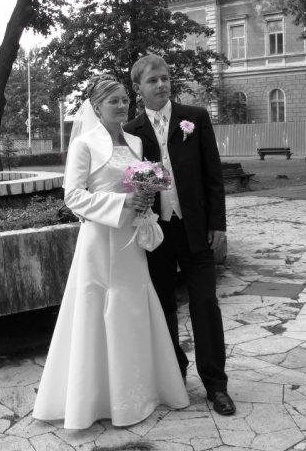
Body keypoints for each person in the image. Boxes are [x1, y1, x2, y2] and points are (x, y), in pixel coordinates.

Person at [32, 76, 189, 430]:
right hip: (100, 241)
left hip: (131, 241)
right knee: (98, 309)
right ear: (96, 107)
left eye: (124, 100)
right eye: (113, 101)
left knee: (133, 307)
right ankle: (97, 399)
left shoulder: (135, 141)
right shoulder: (84, 144)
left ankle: (139, 391)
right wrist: (122, 203)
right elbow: (73, 197)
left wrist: (144, 199)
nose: (121, 106)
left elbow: (139, 184)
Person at [124, 54, 235, 416]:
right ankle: (175, 376)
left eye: (165, 78)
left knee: (205, 304)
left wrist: (218, 224)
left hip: (195, 229)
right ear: (138, 88)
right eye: (152, 80)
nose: (161, 85)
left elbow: (213, 175)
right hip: (155, 232)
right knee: (163, 308)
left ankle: (216, 385)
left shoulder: (195, 118)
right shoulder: (130, 131)